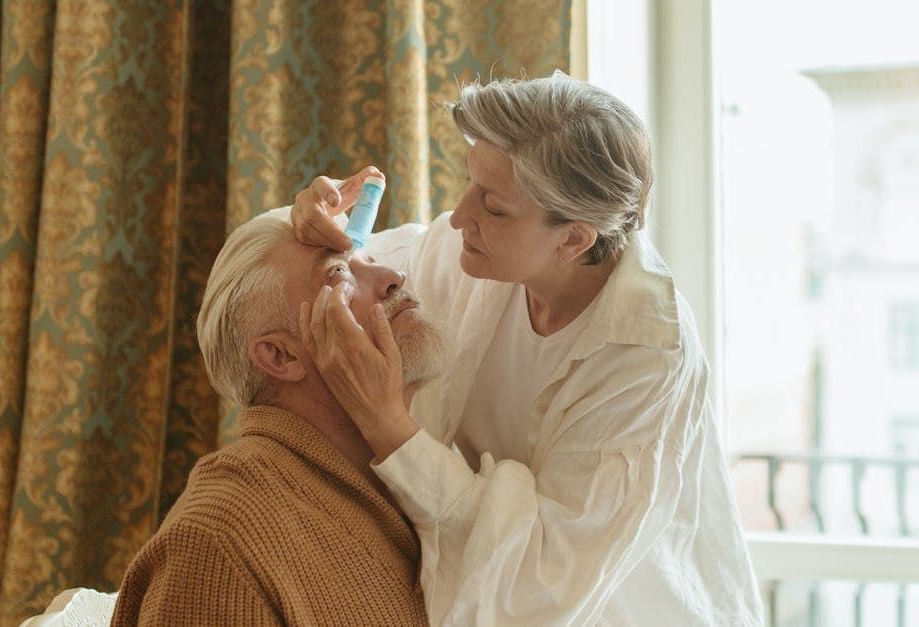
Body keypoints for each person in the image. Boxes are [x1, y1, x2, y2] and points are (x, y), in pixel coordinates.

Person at [283, 72, 765, 626]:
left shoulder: (644, 358)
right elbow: (325, 270)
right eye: (470, 183)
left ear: (573, 239)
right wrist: (308, 222)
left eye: (493, 206)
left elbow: (540, 586)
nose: (459, 216)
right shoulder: (470, 253)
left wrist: (388, 425)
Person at [110, 214, 450, 625]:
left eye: (372, 260)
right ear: (280, 356)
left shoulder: (406, 497)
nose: (394, 277)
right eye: (339, 273)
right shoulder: (218, 543)